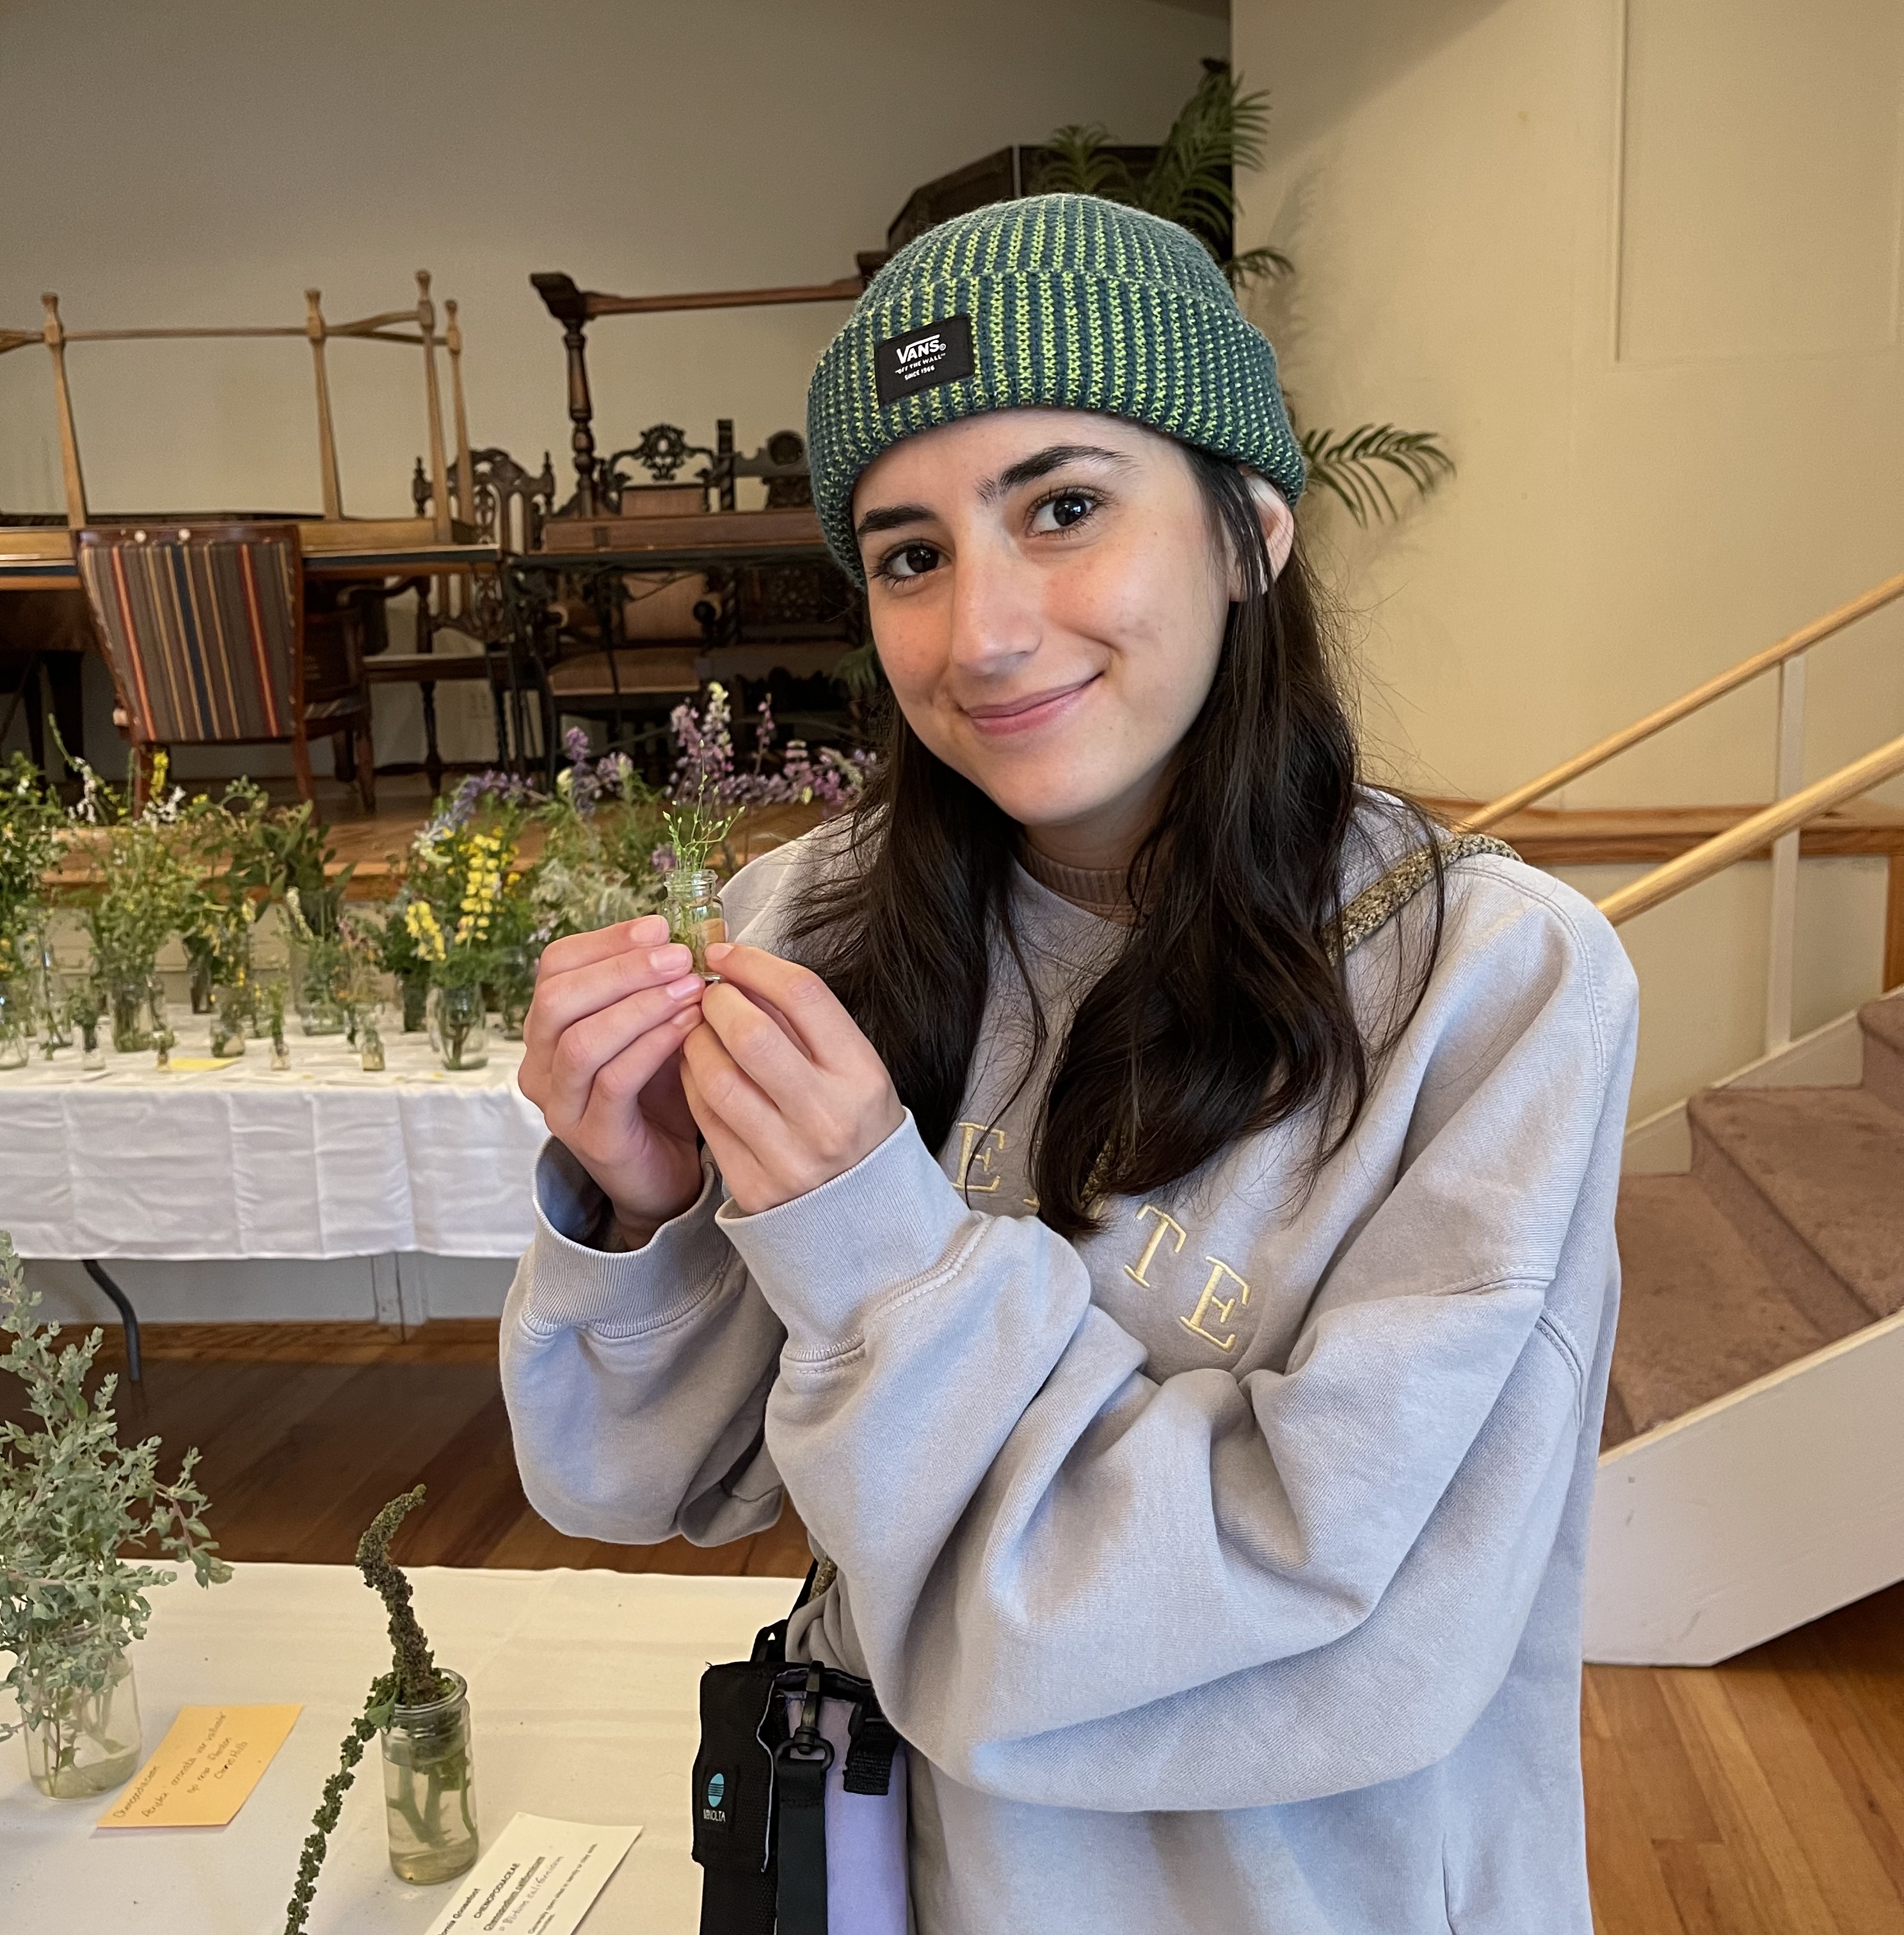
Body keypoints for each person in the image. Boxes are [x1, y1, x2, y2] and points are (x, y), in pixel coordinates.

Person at [502, 195, 1638, 1934]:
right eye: (908, 555)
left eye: (1067, 508)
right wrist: (651, 1215)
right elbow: (654, 1482)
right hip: (910, 1883)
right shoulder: (810, 918)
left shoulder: (1494, 990)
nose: (983, 633)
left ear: (1251, 529)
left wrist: (879, 1250)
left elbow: (1332, 1608)